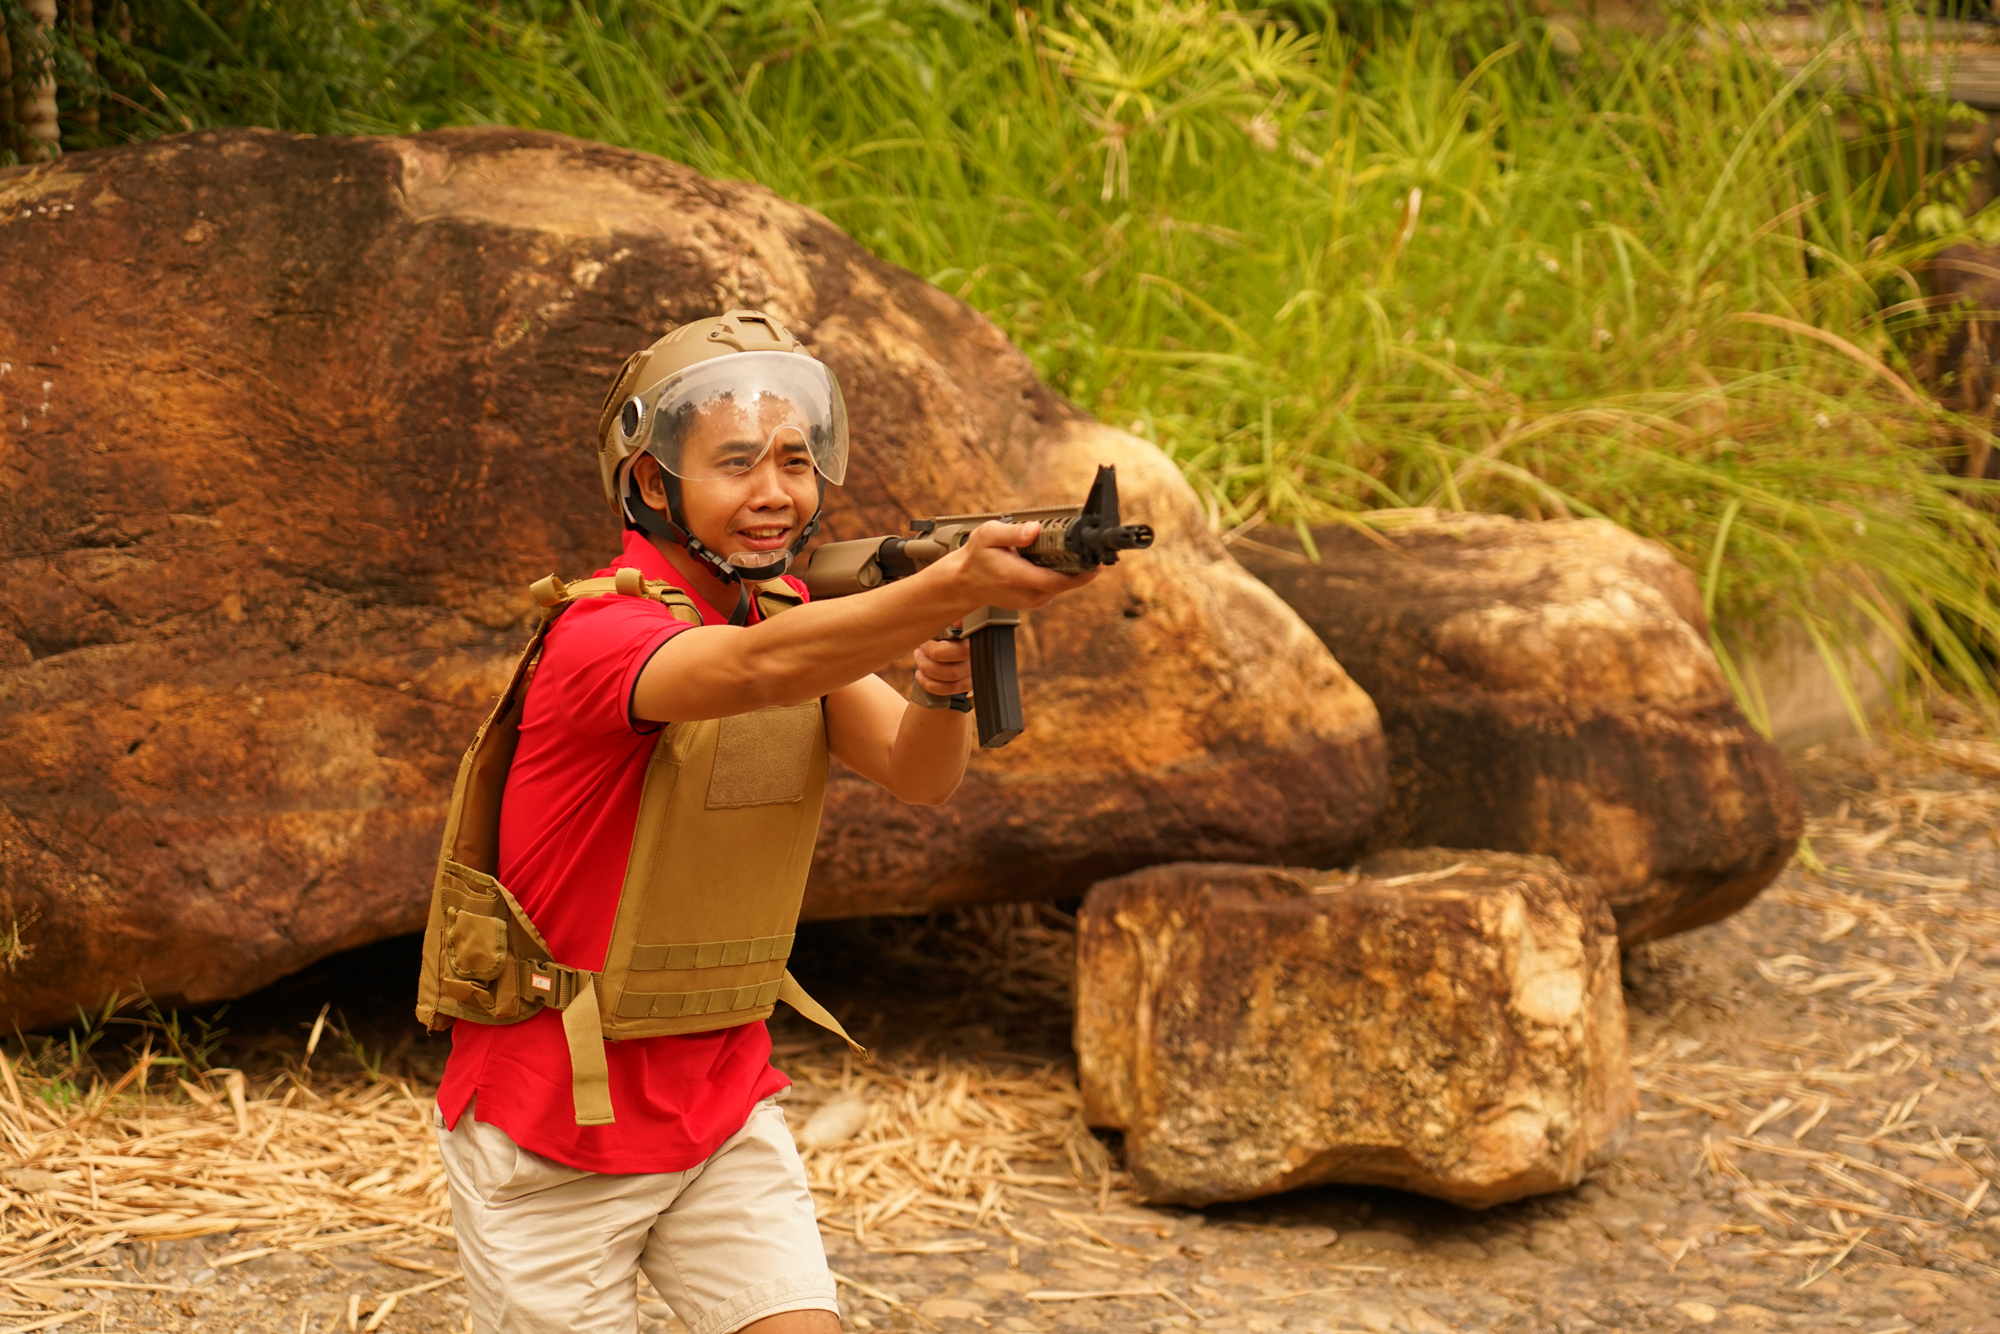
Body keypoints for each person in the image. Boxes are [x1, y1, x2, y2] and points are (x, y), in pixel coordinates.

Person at [426, 310, 1097, 1334]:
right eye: (736, 462)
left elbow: (915, 773)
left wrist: (943, 681)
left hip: (720, 1099)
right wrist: (946, 585)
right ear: (653, 483)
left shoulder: (778, 615)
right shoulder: (601, 632)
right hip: (554, 1126)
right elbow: (750, 674)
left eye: (794, 459)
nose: (776, 492)